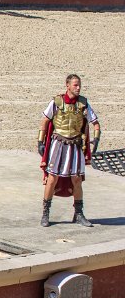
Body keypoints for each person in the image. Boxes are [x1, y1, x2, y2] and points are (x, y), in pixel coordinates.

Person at [38, 74, 101, 228]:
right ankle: (45, 214)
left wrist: (96, 138)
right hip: (58, 144)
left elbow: (95, 123)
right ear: (67, 85)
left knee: (77, 179)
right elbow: (45, 120)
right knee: (52, 178)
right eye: (75, 85)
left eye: (79, 85)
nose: (78, 88)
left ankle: (79, 214)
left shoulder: (83, 103)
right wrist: (40, 140)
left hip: (76, 145)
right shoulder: (57, 102)